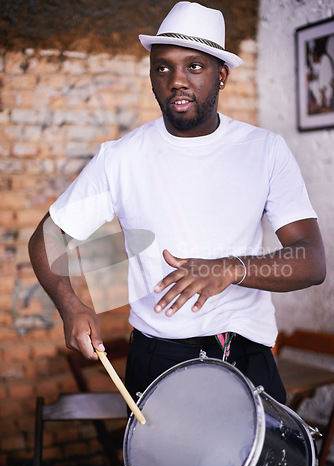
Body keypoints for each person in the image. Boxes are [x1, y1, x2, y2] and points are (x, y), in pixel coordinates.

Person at [29, 1, 326, 407]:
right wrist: (70, 305)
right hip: (157, 359)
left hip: (245, 357)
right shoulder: (120, 158)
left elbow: (310, 261)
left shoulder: (265, 151)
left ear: (222, 75)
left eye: (195, 67)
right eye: (163, 67)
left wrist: (231, 269)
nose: (176, 80)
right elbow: (48, 238)